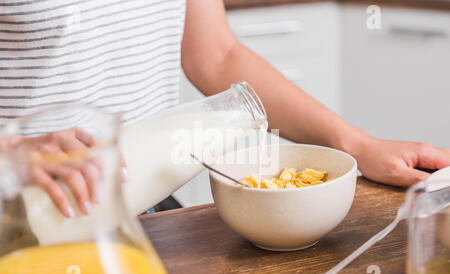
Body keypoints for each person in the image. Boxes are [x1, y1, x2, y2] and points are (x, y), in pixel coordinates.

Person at [0, 0, 448, 217]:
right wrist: (11, 152)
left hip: (143, 208)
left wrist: (357, 143)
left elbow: (215, 55)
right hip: (20, 214)